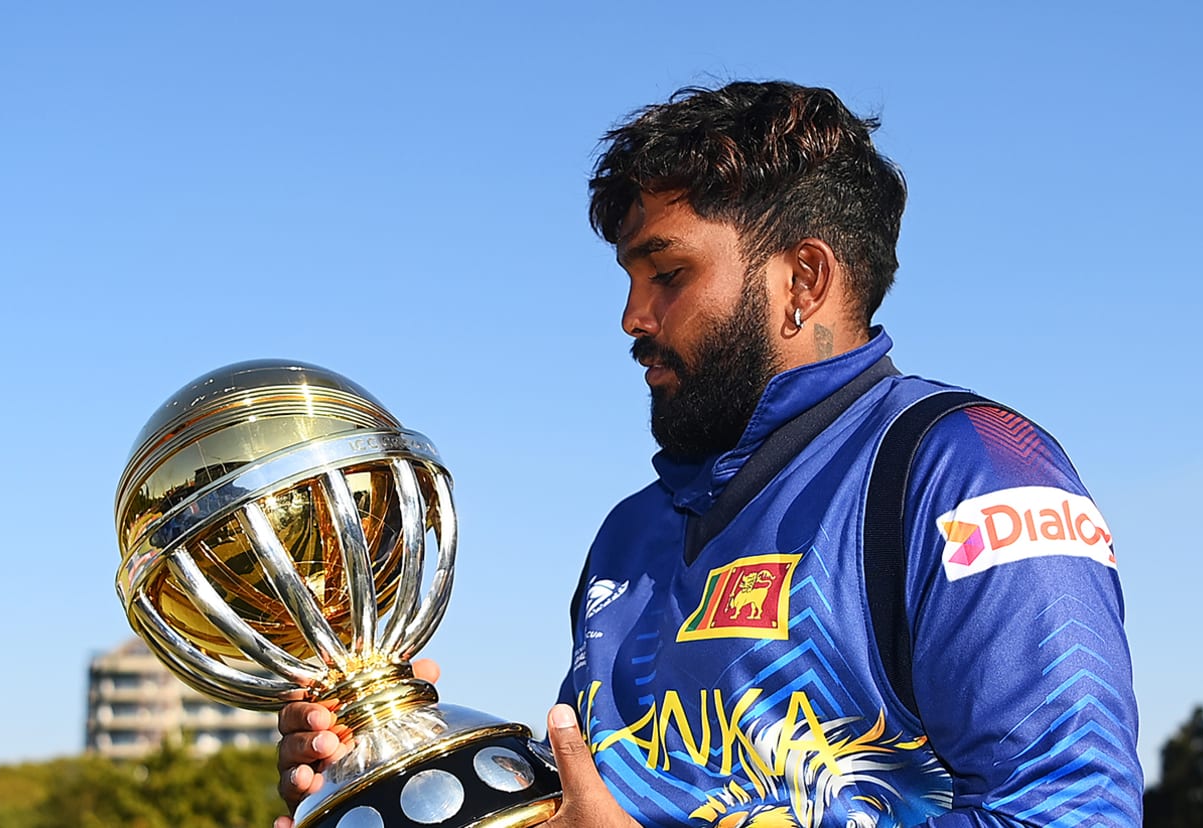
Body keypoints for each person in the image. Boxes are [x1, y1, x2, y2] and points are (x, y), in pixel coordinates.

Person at [277, 81, 1141, 828]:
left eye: (667, 273)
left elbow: (1068, 812)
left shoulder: (969, 468)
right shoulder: (631, 533)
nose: (631, 318)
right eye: (626, 277)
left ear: (803, 280)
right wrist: (391, 774)